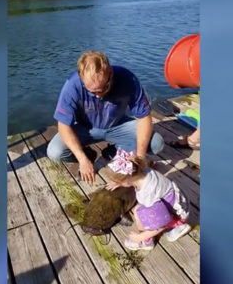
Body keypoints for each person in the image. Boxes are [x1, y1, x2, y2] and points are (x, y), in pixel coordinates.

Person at [47, 51, 164, 184]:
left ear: (110, 74)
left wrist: (140, 158)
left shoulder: (127, 79)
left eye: (103, 89)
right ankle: (88, 154)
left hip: (118, 125)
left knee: (156, 143)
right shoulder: (72, 84)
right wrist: (82, 159)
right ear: (81, 78)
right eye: (92, 91)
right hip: (85, 128)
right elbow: (63, 125)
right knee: (54, 152)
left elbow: (144, 118)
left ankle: (112, 152)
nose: (98, 95)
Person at [105, 149, 191, 251]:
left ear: (127, 180)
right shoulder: (144, 170)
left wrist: (141, 237)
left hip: (177, 214)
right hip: (180, 202)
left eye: (117, 180)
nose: (114, 182)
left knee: (138, 212)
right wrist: (119, 182)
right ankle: (175, 227)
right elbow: (129, 179)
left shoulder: (147, 193)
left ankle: (147, 242)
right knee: (140, 209)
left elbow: (162, 222)